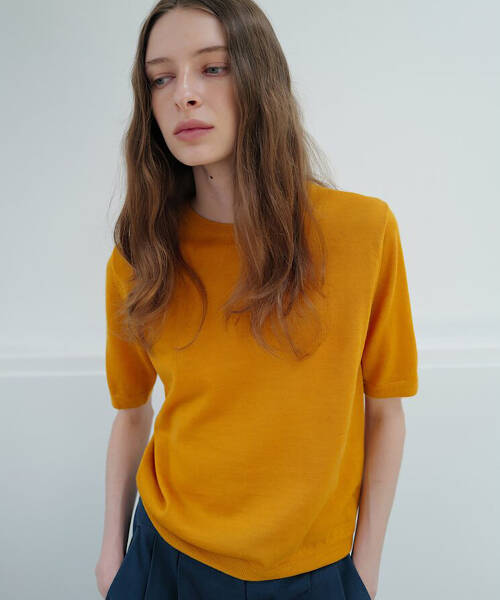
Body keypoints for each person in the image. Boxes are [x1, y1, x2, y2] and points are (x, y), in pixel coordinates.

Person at [95, 1, 419, 599]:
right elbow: (132, 413)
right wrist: (111, 553)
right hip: (164, 561)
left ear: (260, 77)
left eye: (212, 67)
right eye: (160, 78)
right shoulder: (142, 256)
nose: (183, 94)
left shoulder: (363, 234)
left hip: (317, 572)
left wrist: (364, 572)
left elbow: (385, 411)